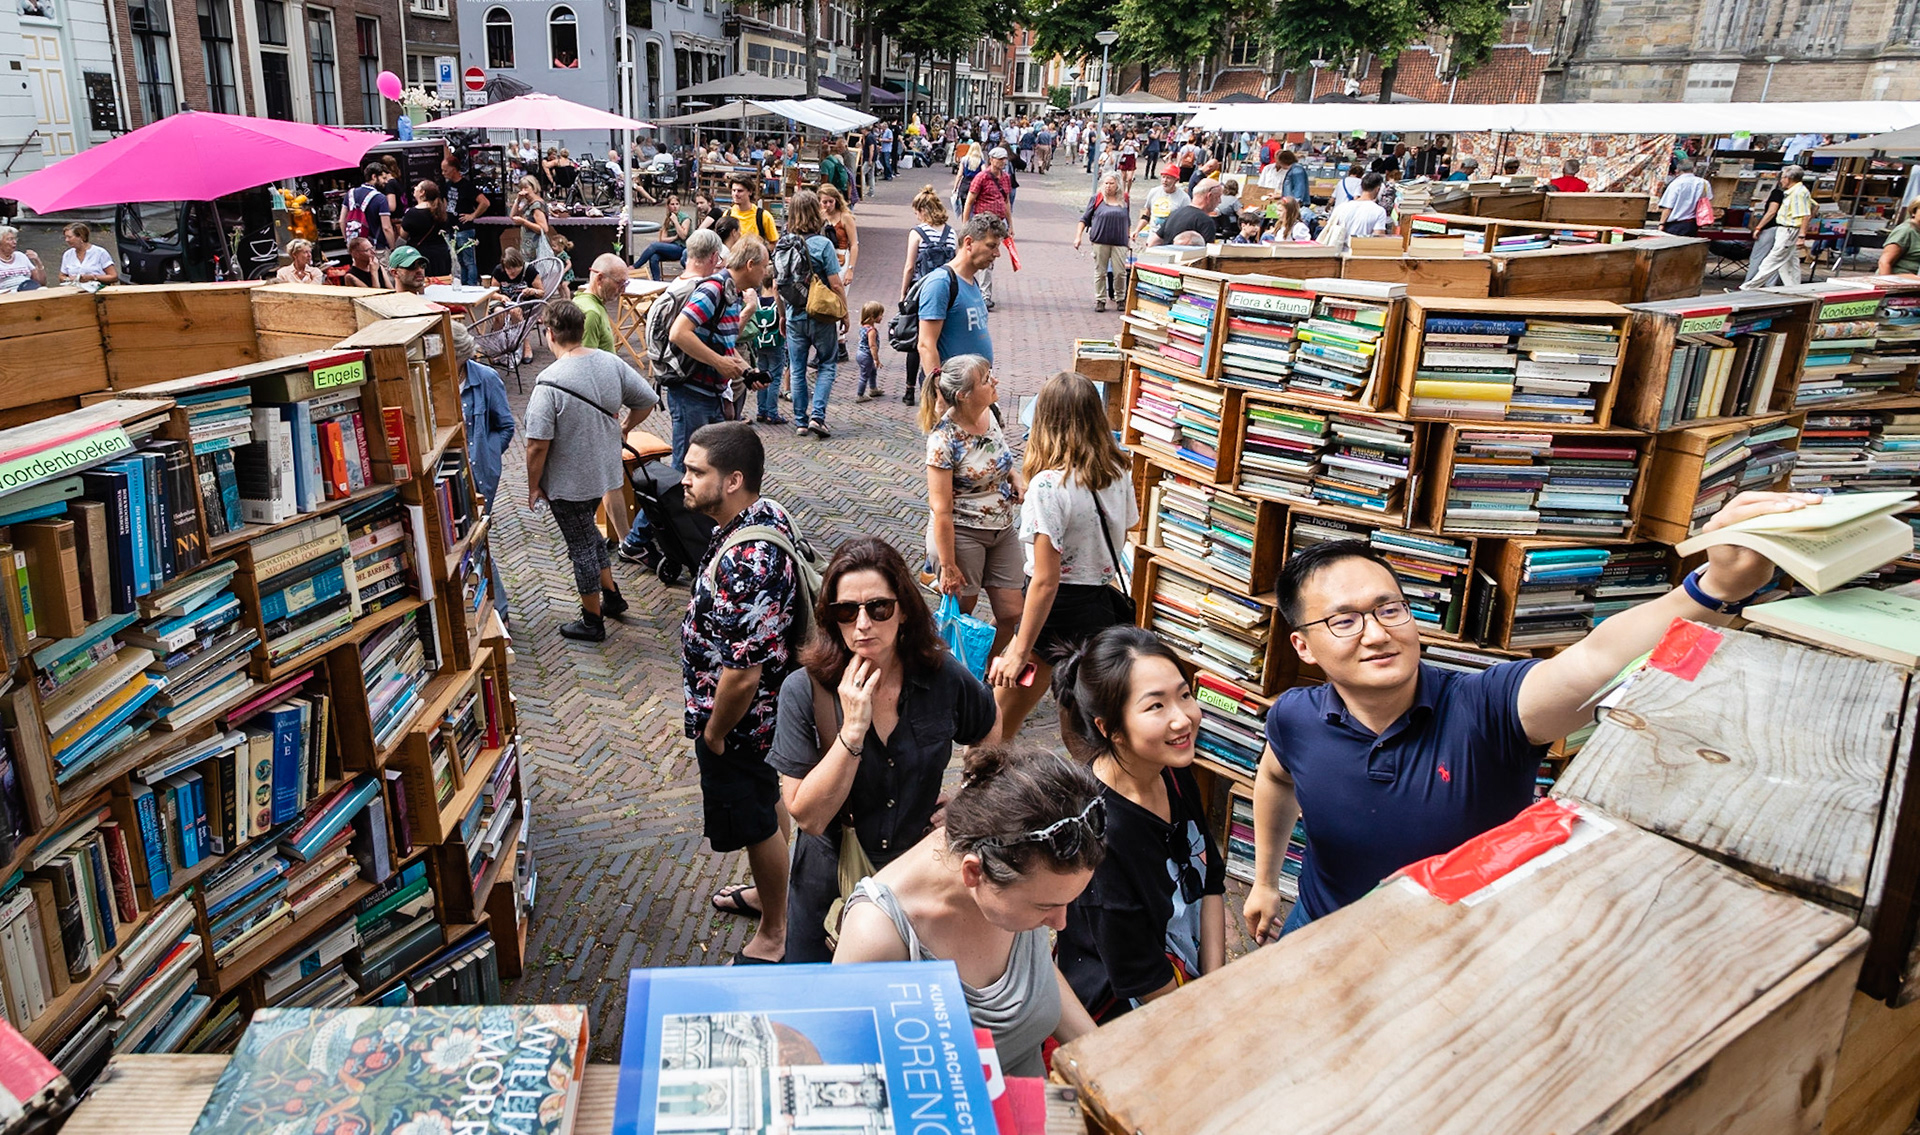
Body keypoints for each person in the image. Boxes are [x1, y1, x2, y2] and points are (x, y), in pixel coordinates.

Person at [1243, 489, 1823, 940]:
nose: (1376, 634)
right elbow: (1276, 776)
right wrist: (1267, 879)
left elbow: (1596, 659)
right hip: (1320, 929)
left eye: (1388, 608)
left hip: (1458, 950)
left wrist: (1715, 587)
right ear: (1303, 647)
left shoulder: (1487, 710)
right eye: (1343, 621)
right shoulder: (1296, 716)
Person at [771, 538, 996, 963]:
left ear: (904, 609)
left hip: (921, 877)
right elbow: (808, 816)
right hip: (829, 884)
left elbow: (988, 725)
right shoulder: (804, 692)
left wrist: (971, 796)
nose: (862, 625)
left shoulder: (943, 677)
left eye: (878, 608)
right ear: (830, 618)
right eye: (846, 611)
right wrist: (851, 733)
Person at [833, 744, 1103, 1077]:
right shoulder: (876, 934)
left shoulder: (1015, 858)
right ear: (974, 873)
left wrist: (1108, 1062)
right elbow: (847, 1071)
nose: (1059, 924)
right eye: (1045, 907)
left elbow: (1037, 977)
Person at [1052, 627, 1225, 1020]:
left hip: (1190, 984)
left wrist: (1216, 983)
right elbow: (1141, 979)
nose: (1183, 719)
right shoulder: (1098, 834)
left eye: (1184, 695)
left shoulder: (1170, 769)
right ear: (1107, 728)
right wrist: (1210, 1011)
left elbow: (1209, 876)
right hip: (1129, 1012)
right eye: (1156, 707)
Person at [681, 422, 803, 965]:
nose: (683, 480)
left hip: (743, 722)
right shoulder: (763, 514)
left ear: (732, 481)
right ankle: (774, 892)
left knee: (754, 820)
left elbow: (742, 674)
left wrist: (714, 732)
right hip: (764, 716)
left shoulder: (745, 561)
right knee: (766, 800)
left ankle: (776, 933)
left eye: (695, 471)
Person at [985, 371, 1135, 743]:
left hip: (1053, 614)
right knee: (1083, 738)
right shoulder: (1118, 471)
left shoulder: (1048, 486)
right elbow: (1129, 525)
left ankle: (980, 798)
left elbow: (1046, 580)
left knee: (994, 728)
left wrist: (1019, 649)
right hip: (1098, 608)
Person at [523, 300, 659, 643]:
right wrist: (625, 426)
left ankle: (591, 619)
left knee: (580, 545)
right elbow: (646, 399)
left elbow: (537, 445)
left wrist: (532, 486)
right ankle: (612, 596)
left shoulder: (548, 382)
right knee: (589, 534)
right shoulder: (610, 363)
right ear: (582, 330)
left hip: (568, 482)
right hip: (604, 471)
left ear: (550, 334)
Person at [616, 229, 728, 566]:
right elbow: (684, 337)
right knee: (683, 468)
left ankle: (689, 531)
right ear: (711, 258)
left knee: (697, 463)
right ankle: (638, 539)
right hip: (690, 386)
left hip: (679, 384)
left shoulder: (675, 287)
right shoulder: (698, 292)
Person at [922, 353, 1024, 656]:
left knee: (1011, 613)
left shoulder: (990, 413)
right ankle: (948, 675)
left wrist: (1014, 476)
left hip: (1002, 528)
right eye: (986, 379)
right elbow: (941, 509)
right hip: (962, 533)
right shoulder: (944, 440)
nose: (995, 381)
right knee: (959, 617)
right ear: (964, 396)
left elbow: (998, 454)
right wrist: (948, 565)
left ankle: (980, 668)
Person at [452, 322, 514, 625]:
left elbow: (506, 425)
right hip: (448, 480)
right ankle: (493, 609)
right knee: (471, 542)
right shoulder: (430, 381)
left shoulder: (486, 379)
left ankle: (498, 611)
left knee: (476, 541)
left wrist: (489, 456)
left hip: (480, 479)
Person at [774, 191, 850, 440]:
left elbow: (777, 285)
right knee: (827, 363)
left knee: (797, 368)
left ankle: (800, 421)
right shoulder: (823, 244)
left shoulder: (784, 243)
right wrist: (844, 313)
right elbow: (836, 284)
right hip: (821, 314)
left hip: (795, 314)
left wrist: (783, 315)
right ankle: (818, 416)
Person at [915, 215, 1000, 382]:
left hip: (974, 387)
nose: (997, 254)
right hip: (953, 391)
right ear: (968, 243)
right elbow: (926, 345)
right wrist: (939, 393)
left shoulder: (971, 281)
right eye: (991, 246)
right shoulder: (941, 283)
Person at [897, 187, 957, 409]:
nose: (916, 217)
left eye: (916, 213)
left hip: (922, 291)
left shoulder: (917, 232)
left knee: (918, 341)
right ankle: (941, 387)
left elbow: (910, 266)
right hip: (947, 291)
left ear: (923, 210)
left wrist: (904, 292)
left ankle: (910, 389)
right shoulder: (951, 233)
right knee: (940, 340)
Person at [1741, 165, 1814, 289]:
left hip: (1789, 230)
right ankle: (1794, 288)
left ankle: (1748, 287)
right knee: (1790, 263)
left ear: (1789, 178)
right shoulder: (1795, 192)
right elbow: (1814, 206)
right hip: (1786, 229)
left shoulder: (1798, 193)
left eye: (1783, 177)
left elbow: (1805, 215)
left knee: (1772, 260)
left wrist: (1802, 235)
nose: (1781, 180)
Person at [963, 147, 1014, 310]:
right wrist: (965, 225)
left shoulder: (1006, 178)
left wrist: (1010, 224)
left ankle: (984, 294)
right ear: (991, 159)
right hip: (983, 223)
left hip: (997, 223)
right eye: (999, 159)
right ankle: (982, 294)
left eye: (1004, 159)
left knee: (990, 257)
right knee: (983, 255)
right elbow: (970, 200)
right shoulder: (982, 177)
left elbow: (1006, 201)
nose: (1003, 162)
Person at [1076, 174, 1130, 312]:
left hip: (1119, 241)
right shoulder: (1097, 198)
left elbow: (1127, 220)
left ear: (1117, 184)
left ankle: (1120, 298)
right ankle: (1100, 299)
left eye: (1111, 183)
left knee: (1120, 272)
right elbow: (1084, 219)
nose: (1108, 186)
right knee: (1100, 271)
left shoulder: (1124, 199)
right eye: (1106, 183)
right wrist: (1078, 237)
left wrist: (1129, 237)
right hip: (1100, 240)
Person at [442, 154, 490, 286]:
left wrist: (473, 215)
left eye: (445, 170)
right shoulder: (447, 185)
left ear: (454, 169)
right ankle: (463, 284)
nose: (443, 173)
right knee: (459, 260)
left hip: (464, 228)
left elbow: (485, 202)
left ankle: (472, 285)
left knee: (468, 261)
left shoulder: (466, 186)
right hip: (452, 227)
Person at [745, 281, 788, 426]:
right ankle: (772, 413)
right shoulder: (778, 301)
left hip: (760, 342)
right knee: (774, 378)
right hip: (776, 342)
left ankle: (761, 411)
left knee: (761, 376)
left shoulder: (756, 300)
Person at [1319, 172, 1392, 254]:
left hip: (1339, 253)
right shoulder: (1379, 211)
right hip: (1362, 255)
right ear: (1378, 189)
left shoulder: (1342, 207)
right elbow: (1379, 238)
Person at [571, 253, 627, 354]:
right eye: (619, 283)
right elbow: (586, 360)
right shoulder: (591, 313)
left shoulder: (583, 300)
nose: (623, 290)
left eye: (625, 283)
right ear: (600, 279)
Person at [399, 180, 453, 278]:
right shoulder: (441, 211)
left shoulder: (412, 213)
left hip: (420, 256)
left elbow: (403, 236)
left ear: (422, 192)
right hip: (441, 255)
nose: (414, 188)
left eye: (417, 187)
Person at [1741, 178, 1788, 287]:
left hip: (1770, 227)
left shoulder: (1777, 193)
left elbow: (1772, 211)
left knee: (1758, 257)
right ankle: (1769, 285)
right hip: (1785, 229)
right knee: (1774, 259)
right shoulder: (1796, 193)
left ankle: (1749, 284)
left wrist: (1758, 227)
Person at [635, 193, 692, 281]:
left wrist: (676, 222)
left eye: (677, 204)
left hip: (682, 248)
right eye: (672, 204)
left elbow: (683, 236)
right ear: (668, 206)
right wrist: (674, 238)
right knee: (654, 256)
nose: (675, 207)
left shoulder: (685, 218)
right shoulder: (668, 219)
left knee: (654, 245)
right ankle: (656, 282)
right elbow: (662, 239)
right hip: (671, 247)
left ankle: (635, 266)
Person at [1153, 179, 1222, 247]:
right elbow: (1209, 252)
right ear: (1209, 196)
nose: (1220, 201)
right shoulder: (1205, 221)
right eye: (1218, 197)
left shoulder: (1175, 213)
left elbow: (1153, 242)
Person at [342, 163, 395, 250]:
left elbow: (342, 220)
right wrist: (392, 248)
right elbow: (387, 228)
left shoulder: (350, 193)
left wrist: (347, 241)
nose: (386, 181)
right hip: (376, 247)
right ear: (374, 177)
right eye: (383, 178)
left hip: (355, 249)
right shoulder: (381, 198)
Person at [1134, 164, 1191, 245]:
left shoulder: (1184, 198)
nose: (1165, 180)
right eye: (1163, 177)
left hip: (1171, 239)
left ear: (1176, 180)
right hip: (1152, 237)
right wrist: (1137, 230)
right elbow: (1146, 215)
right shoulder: (1154, 192)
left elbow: (1186, 222)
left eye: (1169, 178)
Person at [1657, 157, 1711, 236]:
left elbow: (1668, 207)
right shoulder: (1704, 183)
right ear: (1693, 170)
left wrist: (1661, 224)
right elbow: (1708, 201)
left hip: (1675, 225)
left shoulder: (1676, 184)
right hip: (1693, 225)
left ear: (1677, 171)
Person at [819, 184, 859, 287]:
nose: (828, 205)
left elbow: (854, 244)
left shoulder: (845, 217)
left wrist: (850, 269)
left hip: (841, 257)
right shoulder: (818, 217)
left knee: (838, 291)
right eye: (825, 202)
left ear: (836, 200)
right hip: (822, 258)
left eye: (831, 201)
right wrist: (820, 221)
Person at [510, 175, 553, 264]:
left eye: (526, 188)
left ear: (533, 187)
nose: (524, 191)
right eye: (521, 188)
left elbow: (544, 228)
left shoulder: (537, 205)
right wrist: (518, 200)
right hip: (527, 247)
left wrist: (524, 222)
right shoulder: (528, 204)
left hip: (535, 248)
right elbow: (512, 215)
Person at [727, 173, 779, 245]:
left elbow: (774, 242)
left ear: (750, 192)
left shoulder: (763, 216)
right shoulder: (727, 214)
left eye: (740, 191)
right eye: (733, 190)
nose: (736, 194)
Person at [853, 301, 885, 402]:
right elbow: (872, 345)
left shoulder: (863, 327)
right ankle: (860, 395)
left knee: (872, 371)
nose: (882, 317)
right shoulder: (871, 331)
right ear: (872, 316)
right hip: (866, 355)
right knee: (864, 375)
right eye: (880, 315)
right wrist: (876, 359)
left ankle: (873, 389)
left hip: (860, 353)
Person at [1879, 199, 1920, 275]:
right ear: (1914, 212)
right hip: (1900, 278)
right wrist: (1888, 285)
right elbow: (1884, 263)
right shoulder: (1905, 231)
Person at [0, 225, 46, 292]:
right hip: (7, 294)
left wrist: (37, 261)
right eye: (10, 239)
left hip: (28, 289)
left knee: (44, 290)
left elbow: (41, 282)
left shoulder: (21, 256)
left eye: (15, 239)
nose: (14, 242)